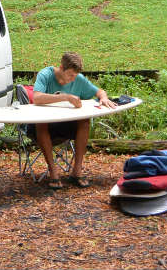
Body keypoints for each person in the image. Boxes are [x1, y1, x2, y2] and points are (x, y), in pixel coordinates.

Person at [31, 51, 116, 189]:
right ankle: (53, 171)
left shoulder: (78, 79)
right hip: (46, 126)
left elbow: (100, 92)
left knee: (84, 121)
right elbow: (37, 98)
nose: (72, 79)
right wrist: (66, 97)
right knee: (41, 123)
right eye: (70, 75)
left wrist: (104, 98)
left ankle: (77, 171)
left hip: (66, 125)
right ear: (61, 68)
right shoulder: (45, 75)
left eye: (75, 76)